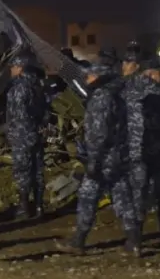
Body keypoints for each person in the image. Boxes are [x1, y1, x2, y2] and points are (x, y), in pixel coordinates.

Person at [56, 62, 137, 255]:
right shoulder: (119, 94)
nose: (87, 79)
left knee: (87, 197)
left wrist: (93, 160)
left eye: (90, 76)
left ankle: (78, 241)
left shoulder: (101, 97)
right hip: (118, 157)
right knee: (123, 198)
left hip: (102, 159)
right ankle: (135, 241)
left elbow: (99, 133)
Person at [121, 52, 160, 247]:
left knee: (138, 195)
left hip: (136, 153)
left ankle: (135, 242)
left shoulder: (127, 92)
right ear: (152, 74)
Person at [5, 54, 48, 219]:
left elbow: (18, 114)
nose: (11, 70)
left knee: (23, 171)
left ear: (20, 68)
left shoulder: (18, 88)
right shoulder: (37, 85)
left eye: (13, 67)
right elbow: (44, 111)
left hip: (22, 135)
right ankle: (39, 207)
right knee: (37, 171)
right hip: (37, 134)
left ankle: (23, 208)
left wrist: (15, 133)